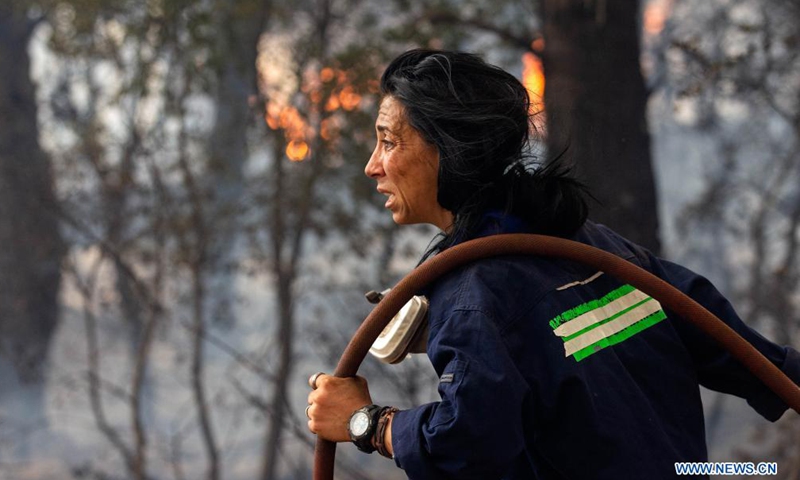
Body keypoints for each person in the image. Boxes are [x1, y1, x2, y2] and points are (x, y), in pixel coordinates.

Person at [305, 49, 800, 479]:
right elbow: (731, 345)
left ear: (448, 151)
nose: (372, 165)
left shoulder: (473, 298)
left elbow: (467, 442)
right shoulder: (595, 246)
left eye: (389, 142)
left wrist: (366, 423)